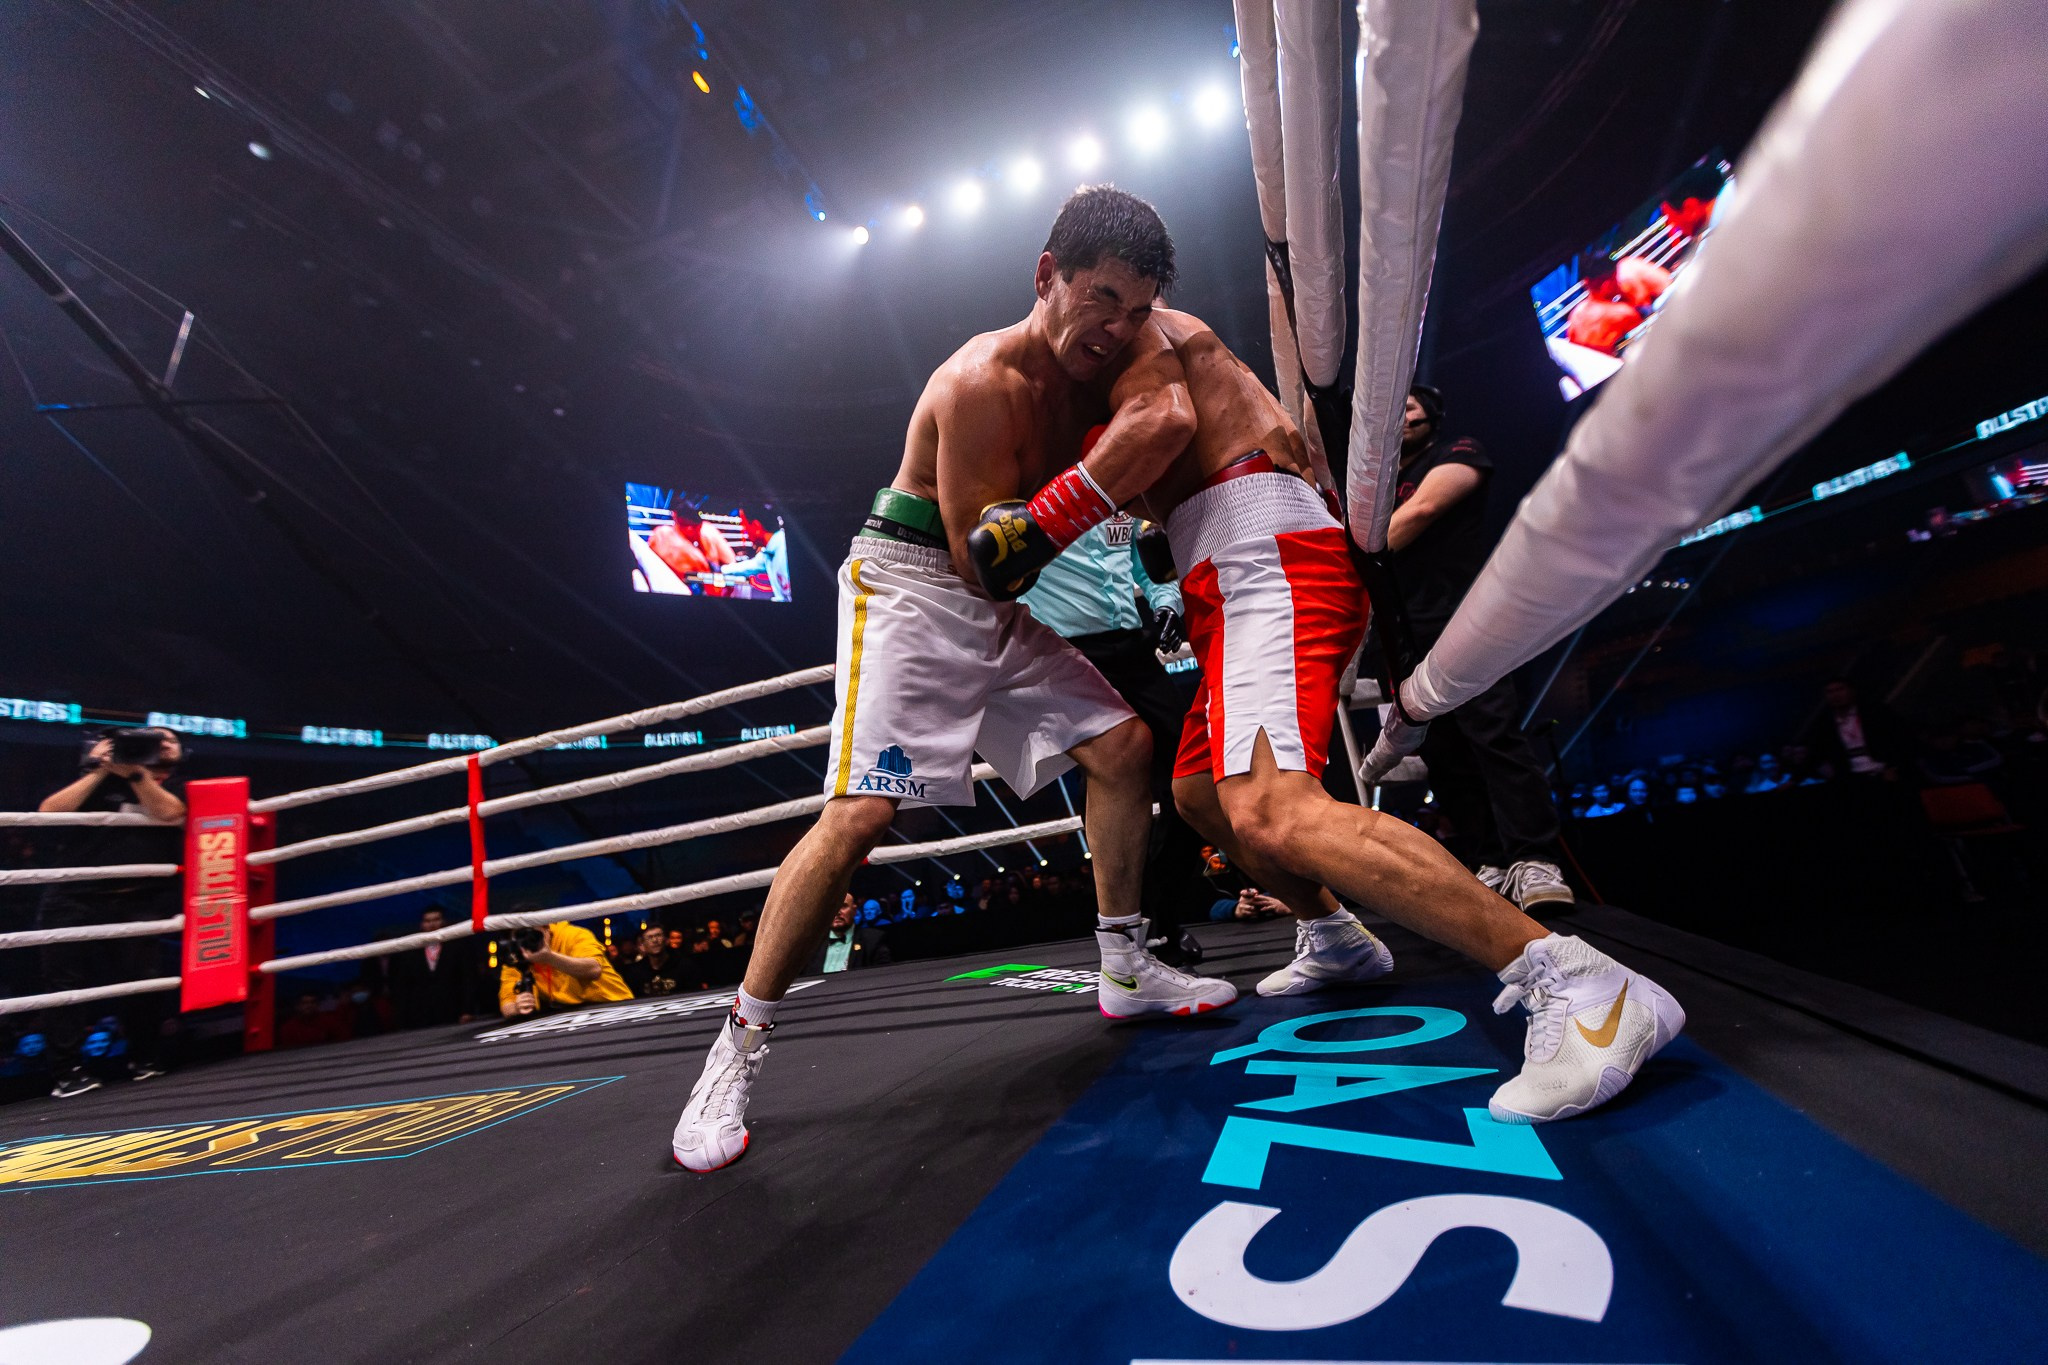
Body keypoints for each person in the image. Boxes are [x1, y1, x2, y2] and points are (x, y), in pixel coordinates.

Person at [670, 187, 1239, 1173]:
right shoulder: (982, 382)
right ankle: (733, 1050)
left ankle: (1122, 961)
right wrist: (1106, 484)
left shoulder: (1112, 368)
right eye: (1099, 297)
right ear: (1044, 277)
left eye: (1134, 308)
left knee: (1125, 748)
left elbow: (1141, 455)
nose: (1113, 328)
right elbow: (985, 560)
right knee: (858, 818)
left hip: (1005, 598)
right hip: (915, 586)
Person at [1099, 303, 1683, 1125]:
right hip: (1227, 573)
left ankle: (1582, 982)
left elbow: (1158, 426)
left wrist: (1043, 513)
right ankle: (1336, 936)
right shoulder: (1135, 350)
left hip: (1261, 562)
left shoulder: (1136, 334)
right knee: (1199, 792)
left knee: (1272, 810)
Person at [1386, 383, 1574, 913]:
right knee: (1439, 748)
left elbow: (1421, 512)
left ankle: (1535, 858)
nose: (1398, 416)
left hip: (1463, 617)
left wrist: (1353, 561)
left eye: (1409, 406)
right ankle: (1488, 857)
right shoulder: (1374, 484)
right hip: (1404, 628)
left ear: (1431, 415)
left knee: (1492, 734)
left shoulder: (1458, 453)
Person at [1019, 491, 1208, 961]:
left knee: (1193, 778)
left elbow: (1145, 561)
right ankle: (1128, 928)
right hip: (1064, 653)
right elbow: (1001, 569)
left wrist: (1167, 603)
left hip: (1132, 649)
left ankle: (1158, 915)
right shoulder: (1030, 485)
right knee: (1111, 781)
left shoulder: (1118, 486)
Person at [33, 727, 186, 1097]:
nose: (161, 743)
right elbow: (47, 813)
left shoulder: (178, 789)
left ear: (182, 752)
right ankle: (67, 1073)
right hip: (74, 898)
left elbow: (170, 813)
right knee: (65, 988)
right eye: (153, 738)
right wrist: (100, 770)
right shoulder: (95, 784)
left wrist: (135, 774)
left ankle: (144, 1060)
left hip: (138, 899)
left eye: (169, 740)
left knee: (142, 984)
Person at [497, 915, 632, 1017]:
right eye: (521, 936)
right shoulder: (518, 953)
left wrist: (549, 957)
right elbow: (507, 1003)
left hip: (613, 1006)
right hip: (568, 1015)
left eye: (532, 934)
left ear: (546, 928)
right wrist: (516, 1007)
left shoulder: (574, 934)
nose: (527, 941)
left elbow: (593, 969)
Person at [387, 906, 479, 1027]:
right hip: (420, 1015)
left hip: (453, 1010)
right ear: (422, 924)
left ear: (444, 922)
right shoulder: (410, 950)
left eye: (436, 919)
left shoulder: (458, 946)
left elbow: (468, 979)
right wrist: (403, 1017)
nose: (432, 924)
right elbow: (403, 985)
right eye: (428, 921)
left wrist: (468, 1010)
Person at [1804, 678, 1908, 780]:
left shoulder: (1875, 713)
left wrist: (1893, 766)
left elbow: (1900, 738)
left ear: (1851, 691)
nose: (1835, 695)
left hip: (1884, 770)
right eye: (1830, 692)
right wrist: (1794, 780)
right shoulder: (1825, 723)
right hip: (1852, 777)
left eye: (1840, 689)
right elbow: (1816, 752)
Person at [1564, 253, 1642, 355]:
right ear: (1608, 282)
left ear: (1586, 282)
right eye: (1615, 278)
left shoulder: (1575, 315)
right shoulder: (1622, 313)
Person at [807, 894, 892, 974]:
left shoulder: (873, 940)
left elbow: (883, 976)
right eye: (832, 907)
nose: (837, 912)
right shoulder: (811, 946)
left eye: (843, 906)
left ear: (854, 910)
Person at [620, 923, 688, 998]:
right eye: (650, 937)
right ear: (643, 945)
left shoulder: (684, 966)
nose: (655, 940)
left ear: (666, 940)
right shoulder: (634, 973)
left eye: (658, 935)